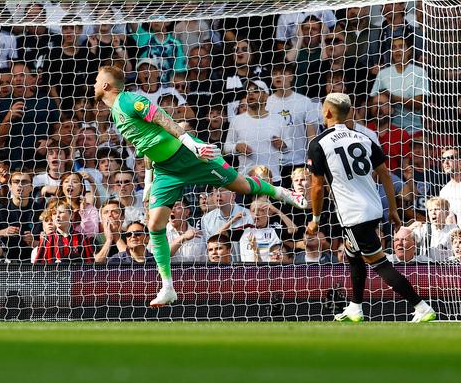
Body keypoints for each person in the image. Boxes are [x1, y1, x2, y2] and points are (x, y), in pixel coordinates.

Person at [93, 66, 306, 307]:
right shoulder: (115, 114)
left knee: (243, 186)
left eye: (97, 79)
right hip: (166, 170)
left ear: (106, 86)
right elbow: (145, 146)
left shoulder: (130, 100)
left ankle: (281, 192)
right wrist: (149, 182)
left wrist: (191, 144)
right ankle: (167, 287)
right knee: (154, 224)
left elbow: (163, 119)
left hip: (188, 154)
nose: (94, 83)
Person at [306, 92, 436, 323]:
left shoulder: (319, 143)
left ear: (326, 112)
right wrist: (393, 209)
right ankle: (355, 308)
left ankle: (421, 306)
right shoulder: (365, 138)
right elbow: (385, 174)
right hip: (373, 208)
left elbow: (317, 187)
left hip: (353, 214)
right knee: (352, 253)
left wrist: (315, 218)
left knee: (378, 262)